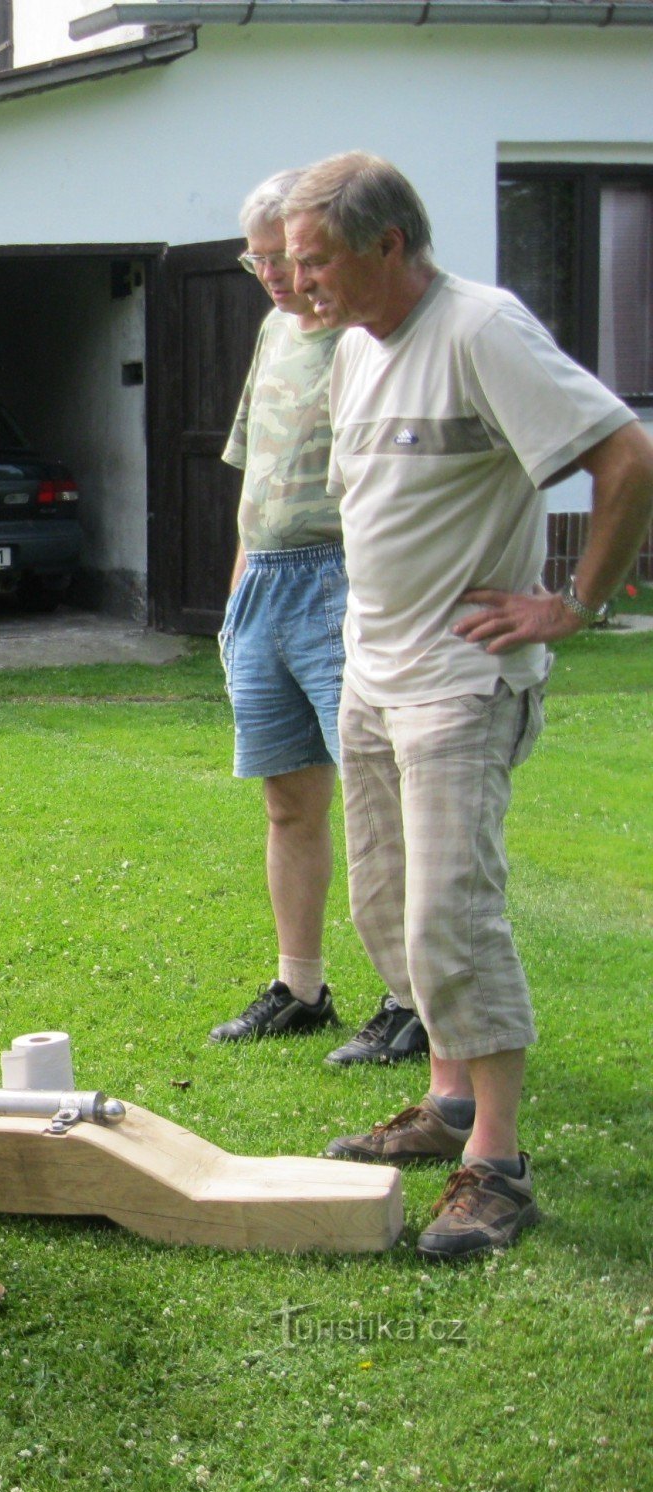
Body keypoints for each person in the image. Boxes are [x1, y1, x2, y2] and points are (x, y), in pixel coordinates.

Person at [283, 152, 653, 1257]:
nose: (300, 284)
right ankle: (445, 1105)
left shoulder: (480, 328)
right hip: (372, 670)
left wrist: (572, 605)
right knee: (385, 905)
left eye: (316, 262)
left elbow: (624, 450)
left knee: (451, 911)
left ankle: (495, 1160)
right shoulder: (353, 348)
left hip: (458, 678)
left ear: (387, 245)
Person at [206, 167, 357, 1051]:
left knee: (379, 800)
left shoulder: (369, 333)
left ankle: (413, 1003)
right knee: (287, 802)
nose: (269, 272)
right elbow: (254, 467)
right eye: (254, 257)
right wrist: (236, 596)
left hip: (343, 581)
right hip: (264, 583)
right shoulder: (272, 329)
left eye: (282, 256)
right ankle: (300, 987)